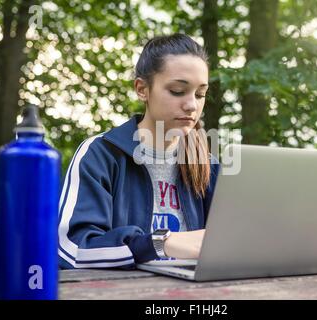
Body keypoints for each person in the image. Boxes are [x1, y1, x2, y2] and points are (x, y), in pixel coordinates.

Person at [58, 33, 221, 270]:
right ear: (142, 89)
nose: (192, 105)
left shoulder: (209, 165)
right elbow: (73, 249)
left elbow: (232, 243)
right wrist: (158, 243)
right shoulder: (100, 155)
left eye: (200, 94)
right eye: (177, 91)